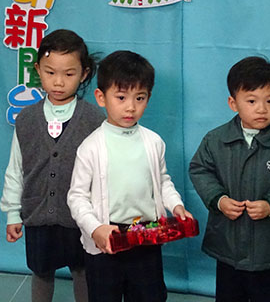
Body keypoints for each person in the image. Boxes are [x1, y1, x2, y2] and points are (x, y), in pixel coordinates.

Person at [67, 50, 192, 302]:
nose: (131, 107)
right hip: (107, 240)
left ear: (148, 98)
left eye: (140, 98)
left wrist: (176, 205)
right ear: (101, 97)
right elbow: (76, 197)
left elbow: (162, 182)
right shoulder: (91, 147)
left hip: (147, 237)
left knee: (149, 296)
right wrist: (95, 229)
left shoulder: (153, 142)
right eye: (121, 97)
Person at [189, 56, 270, 302]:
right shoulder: (215, 140)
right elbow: (200, 170)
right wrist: (219, 200)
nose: (261, 109)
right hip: (228, 245)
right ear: (233, 103)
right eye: (251, 101)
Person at [0, 29, 105, 302]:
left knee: (83, 270)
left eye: (69, 74)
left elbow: (103, 172)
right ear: (38, 70)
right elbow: (15, 170)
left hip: (82, 217)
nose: (58, 82)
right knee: (41, 271)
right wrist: (12, 214)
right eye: (50, 72)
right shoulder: (26, 119)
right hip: (37, 214)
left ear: (84, 74)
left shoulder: (94, 119)